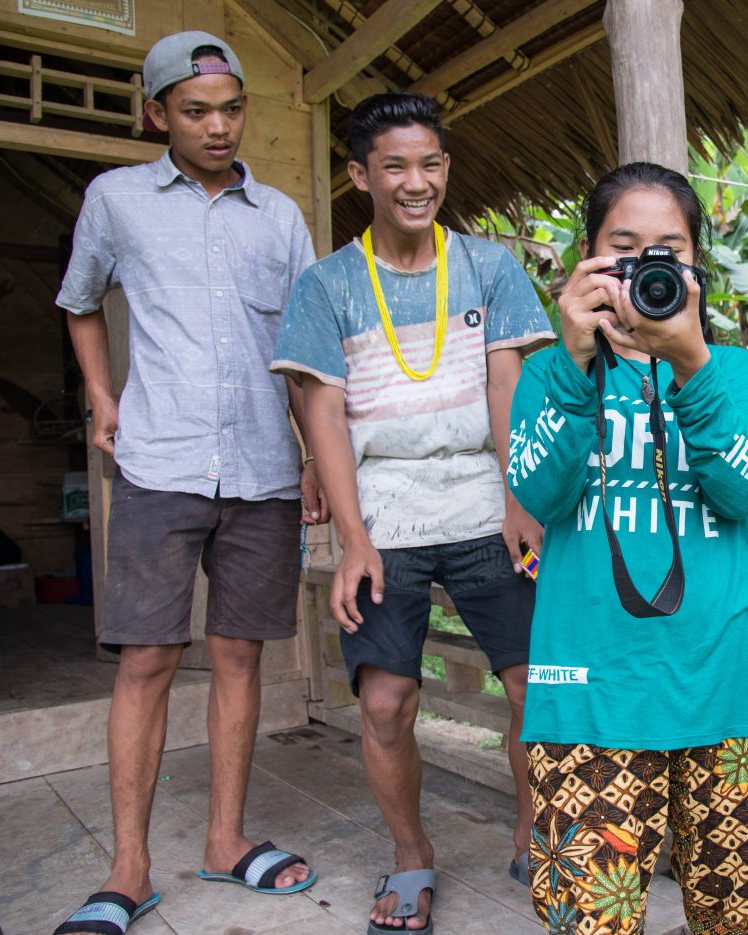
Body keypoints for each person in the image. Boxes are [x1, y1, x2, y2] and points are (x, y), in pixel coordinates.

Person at [54, 30, 323, 935]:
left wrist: (315, 454)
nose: (219, 127)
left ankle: (225, 840)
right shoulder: (116, 200)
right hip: (161, 462)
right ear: (158, 113)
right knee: (147, 658)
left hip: (261, 467)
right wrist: (101, 395)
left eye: (233, 108)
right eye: (198, 111)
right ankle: (128, 868)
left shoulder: (280, 215)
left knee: (242, 653)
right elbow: (80, 300)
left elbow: (303, 351)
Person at [270, 91, 553, 934]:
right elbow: (321, 410)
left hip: (480, 502)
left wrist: (518, 497)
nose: (416, 180)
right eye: (394, 165)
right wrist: (350, 539)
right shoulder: (327, 285)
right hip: (383, 513)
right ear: (361, 174)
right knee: (388, 702)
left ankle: (533, 830)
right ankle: (409, 853)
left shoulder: (489, 268)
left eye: (430, 162)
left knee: (536, 689)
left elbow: (507, 384)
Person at [507, 162, 748, 935]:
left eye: (666, 251)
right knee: (588, 921)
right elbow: (536, 493)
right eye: (623, 250)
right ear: (586, 261)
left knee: (741, 919)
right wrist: (571, 367)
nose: (645, 269)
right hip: (589, 689)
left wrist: (691, 362)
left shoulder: (732, 371)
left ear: (695, 265)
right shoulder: (548, 374)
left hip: (721, 685)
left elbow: (742, 491)